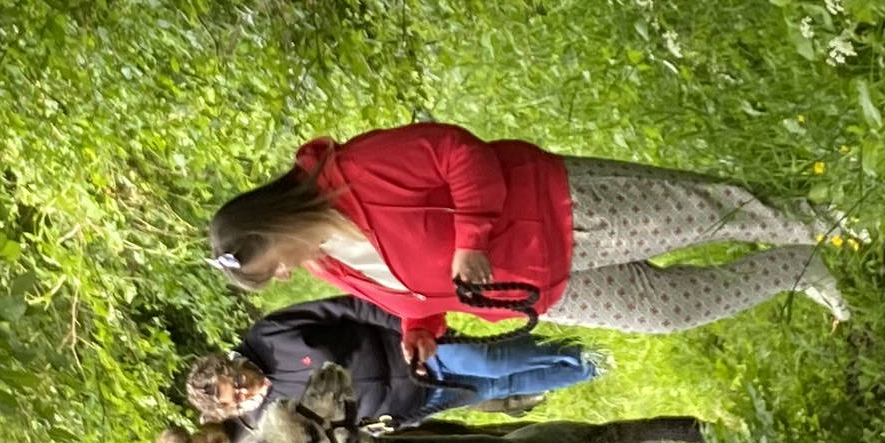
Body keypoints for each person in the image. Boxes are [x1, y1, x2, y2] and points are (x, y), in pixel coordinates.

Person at [207, 123, 844, 340]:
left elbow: (458, 152)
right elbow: (413, 289)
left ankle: (835, 221)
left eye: (274, 266)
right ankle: (799, 266)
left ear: (276, 223)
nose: (287, 275)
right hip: (533, 288)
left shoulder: (356, 173)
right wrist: (419, 328)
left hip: (555, 210)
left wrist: (471, 240)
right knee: (672, 312)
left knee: (708, 212)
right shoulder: (330, 265)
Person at [186, 295, 605, 433]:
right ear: (230, 409)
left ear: (231, 362)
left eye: (235, 378)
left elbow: (346, 307)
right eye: (235, 397)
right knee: (499, 388)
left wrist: (407, 326)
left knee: (491, 360)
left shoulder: (269, 335)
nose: (243, 388)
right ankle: (590, 367)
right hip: (412, 401)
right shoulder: (272, 423)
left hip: (411, 350)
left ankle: (576, 350)